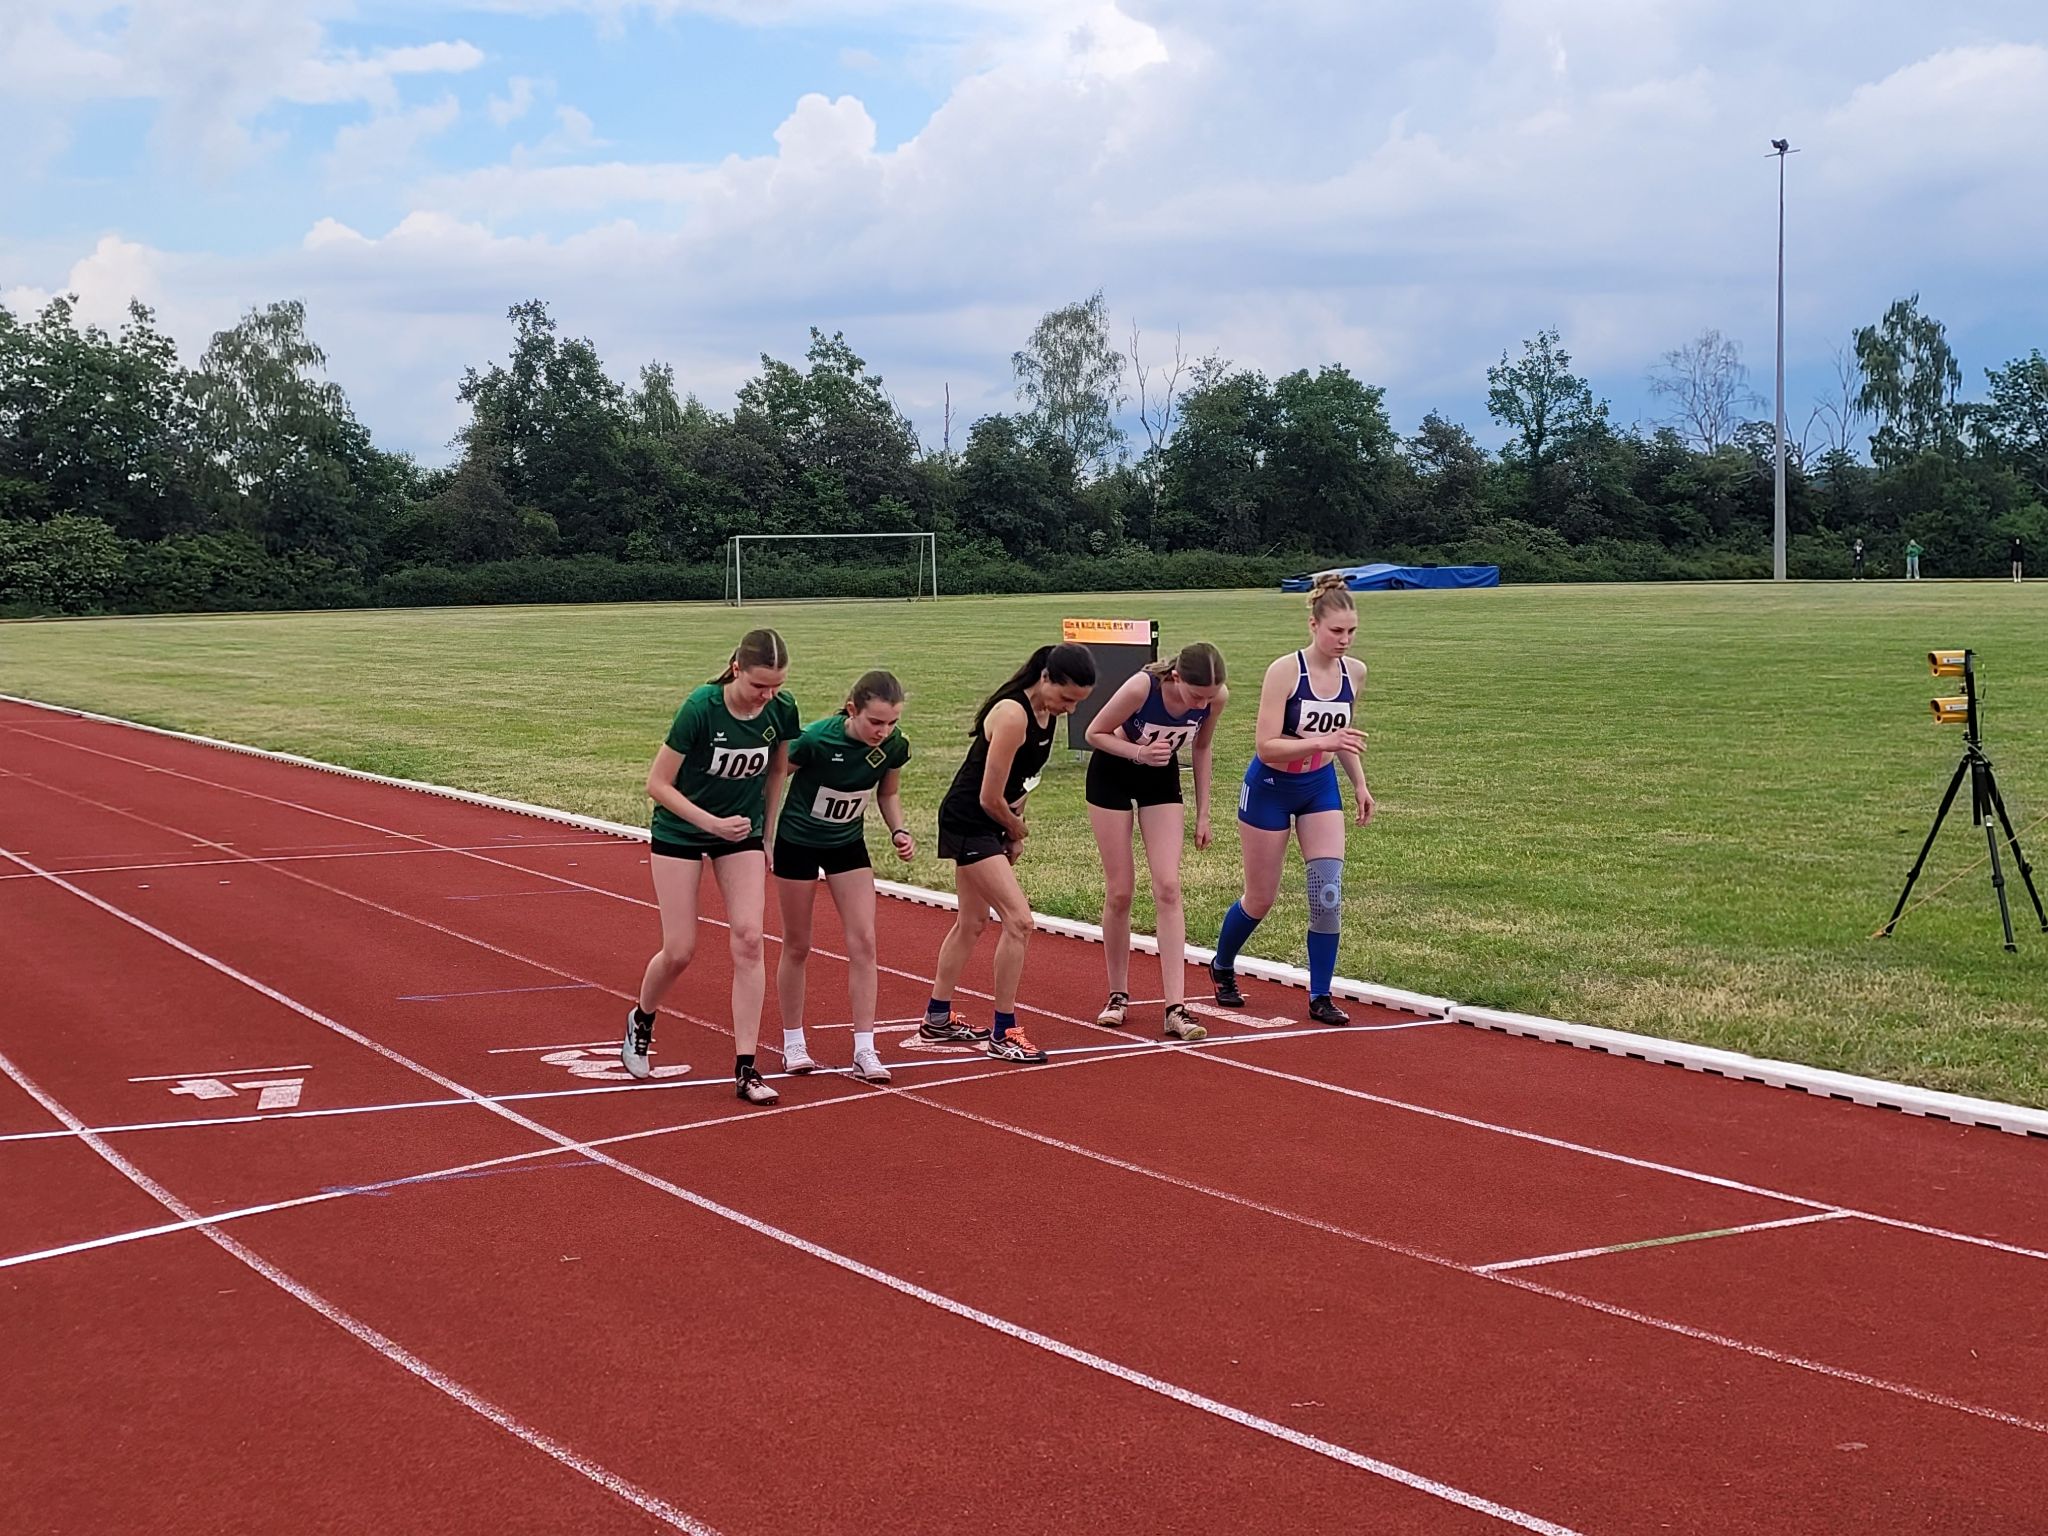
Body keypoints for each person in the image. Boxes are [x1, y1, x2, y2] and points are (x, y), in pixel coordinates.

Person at [624, 628, 798, 1105]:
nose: (768, 695)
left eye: (776, 686)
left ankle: (746, 1067)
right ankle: (642, 1017)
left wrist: (767, 834)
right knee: (680, 950)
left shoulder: (782, 710)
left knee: (749, 938)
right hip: (682, 830)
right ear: (736, 669)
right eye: (759, 685)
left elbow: (777, 770)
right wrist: (711, 823)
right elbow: (658, 784)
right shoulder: (701, 707)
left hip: (740, 834)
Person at [919, 643, 1097, 1063]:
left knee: (972, 922)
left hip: (990, 823)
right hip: (970, 821)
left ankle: (937, 1018)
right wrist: (1015, 829)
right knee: (1020, 921)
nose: (1070, 709)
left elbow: (1025, 779)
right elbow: (989, 796)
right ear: (1046, 678)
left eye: (1077, 703)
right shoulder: (1013, 715)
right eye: (1066, 698)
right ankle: (1004, 1032)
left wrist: (1014, 829)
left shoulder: (1046, 714)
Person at [1209, 574, 1374, 1025]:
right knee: (1260, 898)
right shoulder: (1285, 671)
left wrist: (1359, 784)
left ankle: (1320, 994)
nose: (1344, 639)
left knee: (1328, 894)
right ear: (1313, 625)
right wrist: (1323, 742)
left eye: (1351, 631)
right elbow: (1267, 747)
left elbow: (1343, 738)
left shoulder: (1354, 673)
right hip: (1270, 788)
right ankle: (1222, 964)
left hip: (1319, 787)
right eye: (1336, 630)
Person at [772, 671, 915, 1087]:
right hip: (797, 843)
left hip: (846, 845)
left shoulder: (894, 745)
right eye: (875, 722)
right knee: (797, 944)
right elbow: (775, 778)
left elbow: (887, 792)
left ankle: (865, 1048)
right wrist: (761, 833)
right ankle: (794, 1041)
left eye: (891, 722)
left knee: (864, 942)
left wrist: (899, 830)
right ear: (852, 710)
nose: (883, 732)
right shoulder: (816, 740)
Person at [1083, 641, 1229, 1042]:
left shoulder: (1215, 698)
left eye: (1210, 696)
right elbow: (1094, 732)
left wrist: (1203, 812)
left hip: (1161, 778)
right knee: (1120, 891)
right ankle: (1117, 995)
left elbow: (1201, 747)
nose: (1203, 703)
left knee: (1168, 886)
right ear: (1176, 678)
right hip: (1112, 774)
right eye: (1196, 695)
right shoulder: (1141, 688)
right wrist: (1137, 753)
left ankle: (1175, 1008)